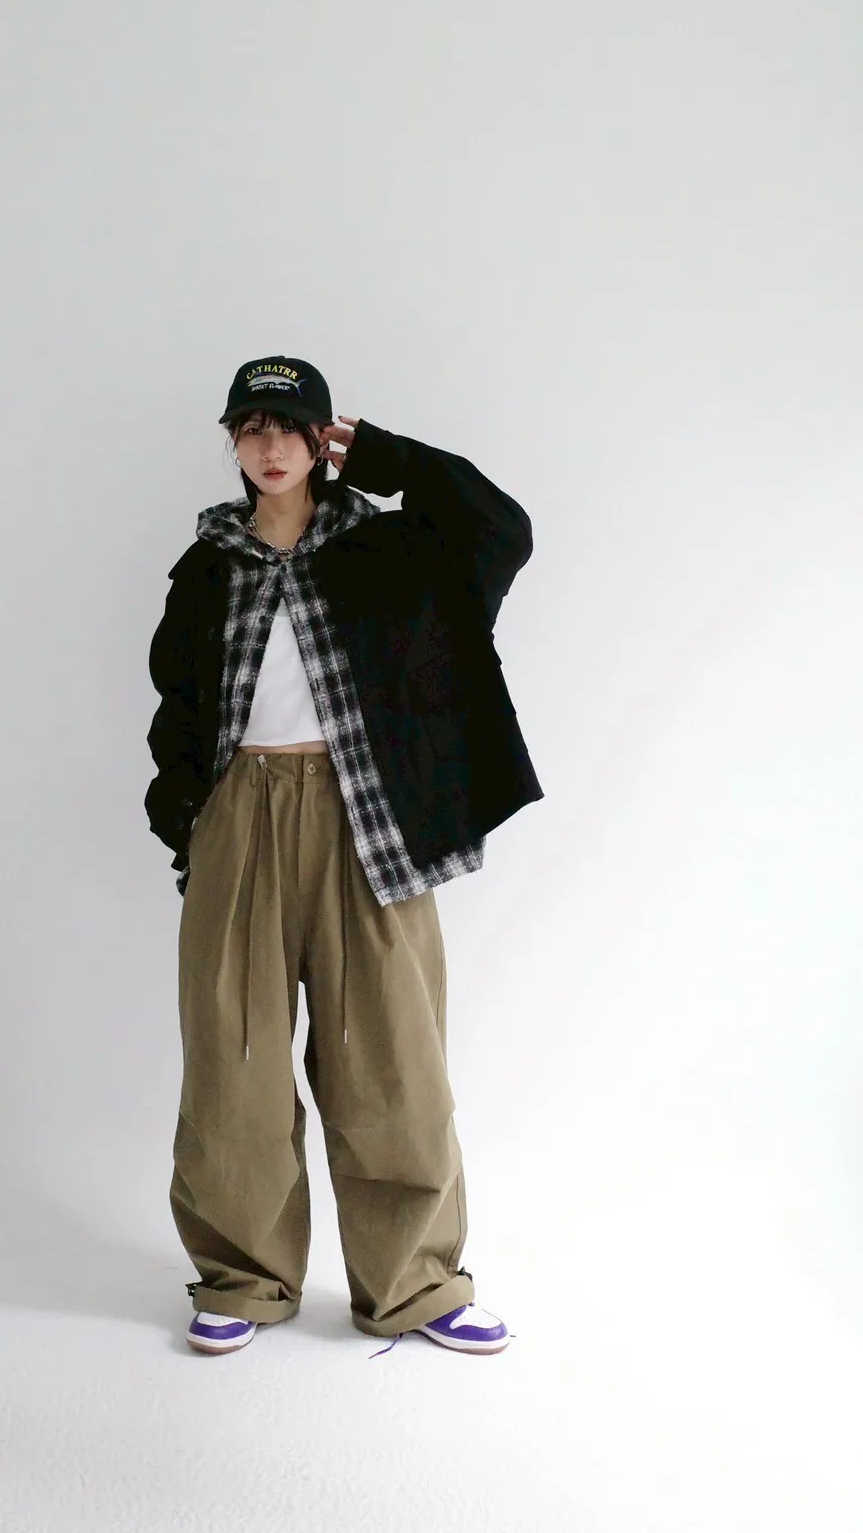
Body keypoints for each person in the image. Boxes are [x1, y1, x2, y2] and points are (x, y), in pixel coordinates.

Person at [145, 355, 543, 1357]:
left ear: (322, 438)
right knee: (232, 1057)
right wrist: (188, 817)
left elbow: (504, 530)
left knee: (393, 1058)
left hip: (371, 817)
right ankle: (243, 1276)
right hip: (241, 812)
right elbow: (178, 703)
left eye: (290, 426)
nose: (270, 446)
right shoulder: (208, 564)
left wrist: (388, 456)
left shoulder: (392, 545)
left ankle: (415, 1284)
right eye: (251, 427)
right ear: (232, 442)